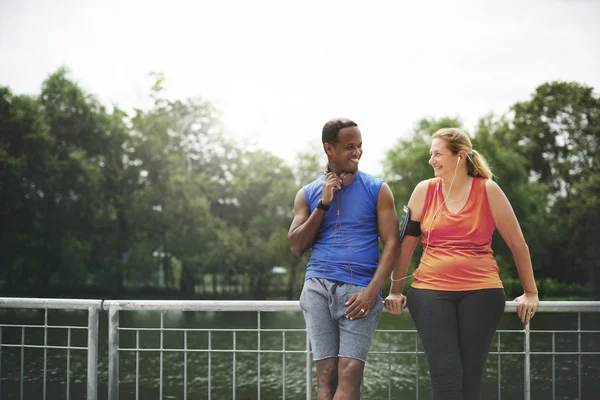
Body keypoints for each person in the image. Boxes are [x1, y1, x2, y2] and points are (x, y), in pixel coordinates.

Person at [384, 128, 539, 400]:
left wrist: (531, 292)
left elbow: (518, 244)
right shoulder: (424, 191)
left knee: (471, 376)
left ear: (460, 156)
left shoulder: (488, 190)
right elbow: (405, 245)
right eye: (431, 154)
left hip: (482, 291)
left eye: (438, 154)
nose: (431, 160)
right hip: (430, 291)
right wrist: (396, 290)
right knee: (445, 372)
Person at [288, 118, 401, 400]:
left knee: (349, 372)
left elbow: (392, 244)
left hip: (360, 291)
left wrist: (372, 291)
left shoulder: (379, 189)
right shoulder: (308, 194)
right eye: (350, 146)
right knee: (325, 378)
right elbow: (296, 245)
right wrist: (324, 204)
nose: (358, 152)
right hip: (317, 289)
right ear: (329, 148)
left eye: (360, 145)